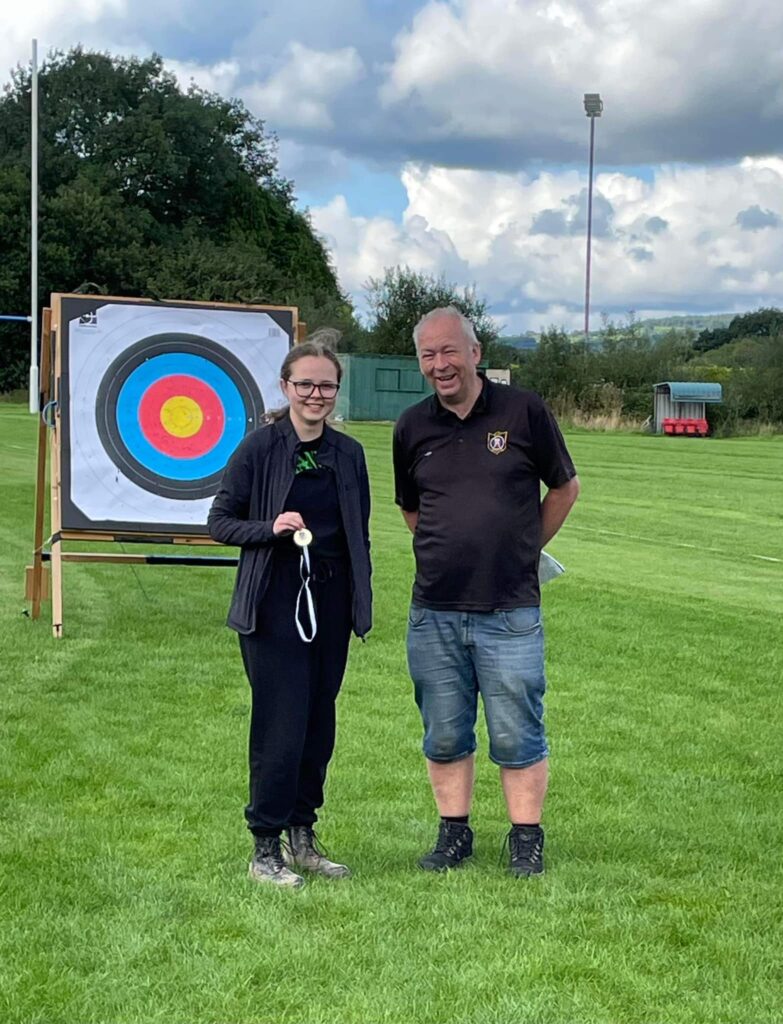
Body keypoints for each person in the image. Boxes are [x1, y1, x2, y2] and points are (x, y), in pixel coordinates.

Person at [392, 307, 579, 877]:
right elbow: (412, 509)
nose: (440, 364)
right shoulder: (410, 427)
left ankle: (526, 838)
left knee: (518, 726)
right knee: (444, 729)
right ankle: (454, 835)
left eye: (450, 351)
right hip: (435, 610)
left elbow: (565, 488)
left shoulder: (524, 411)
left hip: (510, 609)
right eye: (429, 355)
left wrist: (520, 550)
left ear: (476, 352)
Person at [208, 330, 372, 889]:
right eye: (305, 384)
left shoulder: (348, 454)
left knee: (318, 725)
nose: (316, 395)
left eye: (326, 386)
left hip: (329, 604)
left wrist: (360, 605)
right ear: (286, 385)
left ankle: (303, 837)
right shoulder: (260, 447)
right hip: (274, 605)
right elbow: (219, 521)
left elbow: (359, 537)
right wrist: (271, 529)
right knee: (281, 724)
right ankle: (264, 847)